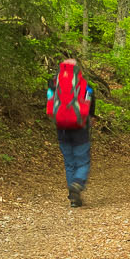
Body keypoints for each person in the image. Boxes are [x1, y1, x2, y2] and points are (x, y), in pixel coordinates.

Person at [45, 58, 94, 206]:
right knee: (83, 161)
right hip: (80, 128)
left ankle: (73, 198)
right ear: (77, 70)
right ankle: (77, 185)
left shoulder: (53, 84)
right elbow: (90, 102)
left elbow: (50, 103)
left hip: (62, 128)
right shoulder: (86, 85)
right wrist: (90, 117)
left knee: (69, 163)